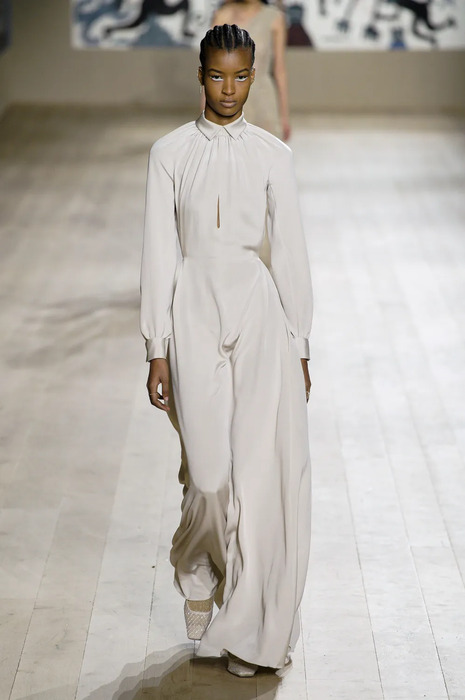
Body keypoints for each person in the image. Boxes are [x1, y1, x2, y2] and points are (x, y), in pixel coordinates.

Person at [140, 23, 313, 678]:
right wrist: (156, 346)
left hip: (258, 311)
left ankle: (246, 630)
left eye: (241, 76)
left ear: (252, 76)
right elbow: (159, 251)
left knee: (257, 476)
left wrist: (300, 342)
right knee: (208, 476)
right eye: (218, 75)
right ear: (201, 76)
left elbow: (289, 250)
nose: (230, 89)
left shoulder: (274, 155)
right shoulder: (169, 153)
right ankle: (196, 571)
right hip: (191, 310)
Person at [209, 0, 291, 141]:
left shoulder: (274, 18)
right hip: (228, 100)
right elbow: (210, 70)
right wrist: (205, 114)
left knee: (264, 152)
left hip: (263, 102)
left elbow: (280, 70)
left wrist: (284, 116)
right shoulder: (222, 16)